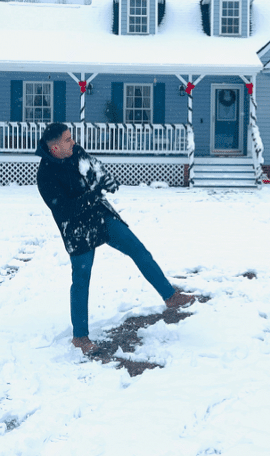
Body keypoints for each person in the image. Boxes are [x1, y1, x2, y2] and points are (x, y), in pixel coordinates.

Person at [36, 123, 195, 354]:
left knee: (138, 250)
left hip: (100, 217)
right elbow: (65, 210)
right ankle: (80, 337)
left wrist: (105, 178)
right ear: (55, 149)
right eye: (68, 140)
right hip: (77, 231)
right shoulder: (45, 176)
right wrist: (94, 194)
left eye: (71, 137)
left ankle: (170, 296)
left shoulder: (75, 152)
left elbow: (93, 167)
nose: (74, 142)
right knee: (81, 280)